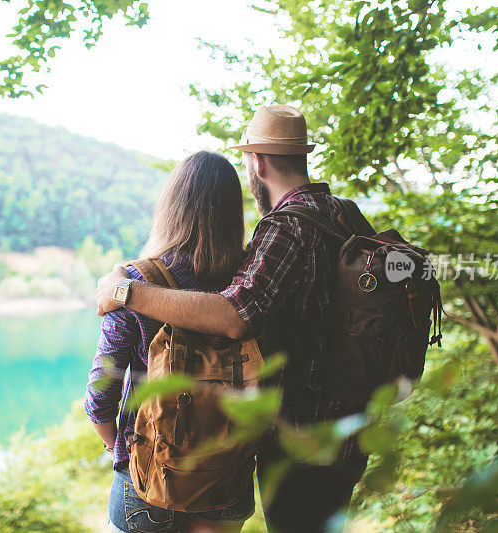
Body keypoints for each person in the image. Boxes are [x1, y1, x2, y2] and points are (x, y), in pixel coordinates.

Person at [96, 104, 369, 532]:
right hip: (349, 428)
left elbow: (234, 317)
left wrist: (126, 290)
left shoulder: (285, 229)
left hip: (295, 436)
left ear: (257, 163)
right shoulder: (345, 216)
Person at [84, 151, 255, 533]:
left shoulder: (132, 284)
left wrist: (120, 449)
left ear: (170, 208)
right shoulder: (249, 283)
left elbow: (100, 394)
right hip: (227, 469)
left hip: (147, 474)